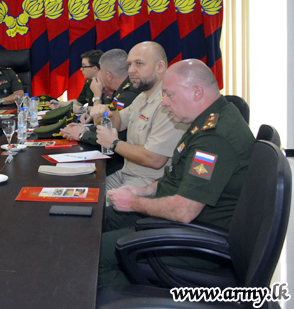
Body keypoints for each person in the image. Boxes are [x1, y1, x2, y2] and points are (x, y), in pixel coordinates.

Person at [98, 59, 255, 286]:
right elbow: (180, 175)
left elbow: (184, 210)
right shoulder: (205, 120)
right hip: (179, 223)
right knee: (98, 220)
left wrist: (134, 203)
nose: (164, 103)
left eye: (169, 95)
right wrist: (145, 191)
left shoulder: (214, 137)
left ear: (197, 92)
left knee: (97, 251)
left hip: (195, 240)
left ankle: (128, 298)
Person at [95, 42, 188, 196]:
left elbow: (155, 159)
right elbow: (118, 122)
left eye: (139, 64)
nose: (131, 70)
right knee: (87, 194)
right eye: (129, 64)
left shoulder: (168, 103)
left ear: (160, 67)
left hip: (149, 183)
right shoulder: (142, 97)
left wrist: (114, 143)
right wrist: (104, 113)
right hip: (126, 174)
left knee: (94, 211)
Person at [60, 49, 140, 174]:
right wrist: (86, 130)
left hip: (121, 162)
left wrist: (83, 134)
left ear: (108, 75)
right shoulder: (122, 91)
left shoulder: (127, 94)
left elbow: (105, 126)